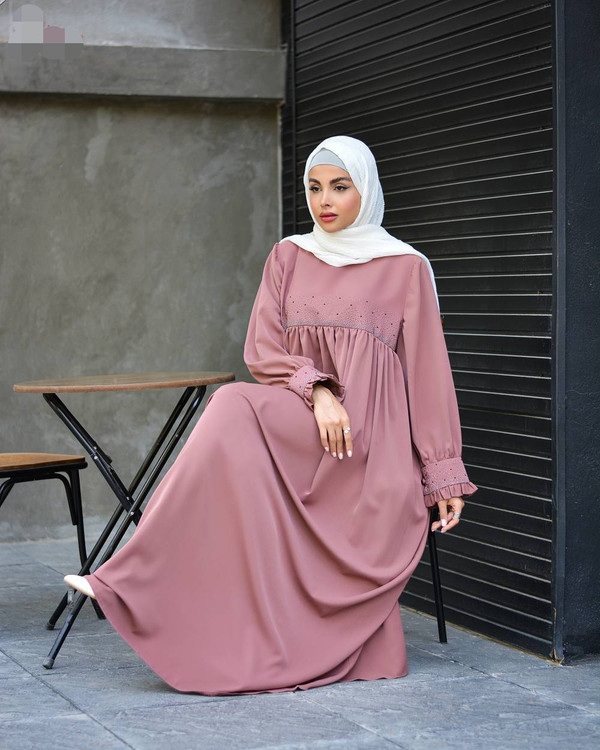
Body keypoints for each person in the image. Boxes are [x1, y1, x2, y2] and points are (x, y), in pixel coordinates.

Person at [65, 135, 478, 695]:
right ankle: (132, 578)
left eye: (340, 187)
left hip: (368, 443)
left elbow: (427, 376)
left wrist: (443, 471)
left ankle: (149, 582)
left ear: (366, 189)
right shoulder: (288, 256)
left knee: (231, 412)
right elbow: (262, 350)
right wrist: (319, 391)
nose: (324, 201)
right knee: (232, 402)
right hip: (305, 418)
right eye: (314, 188)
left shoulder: (405, 268)